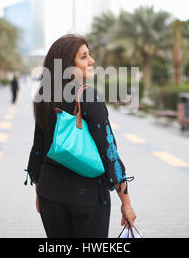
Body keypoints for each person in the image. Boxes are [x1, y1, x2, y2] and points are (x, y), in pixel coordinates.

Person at [24, 34, 136, 238]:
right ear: (68, 64)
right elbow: (108, 151)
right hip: (87, 198)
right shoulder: (86, 94)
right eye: (84, 57)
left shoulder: (44, 95)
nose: (92, 61)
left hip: (50, 195)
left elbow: (38, 148)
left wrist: (40, 189)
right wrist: (126, 203)